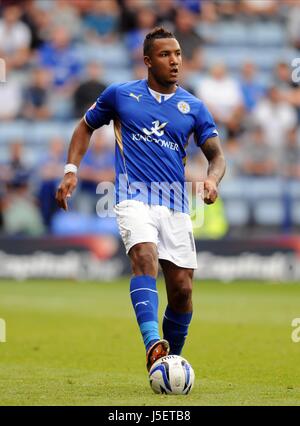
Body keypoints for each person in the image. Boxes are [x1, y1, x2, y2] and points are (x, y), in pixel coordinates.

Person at [56, 27, 226, 372]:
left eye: (177, 54)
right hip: (132, 196)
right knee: (145, 257)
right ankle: (153, 344)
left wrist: (211, 178)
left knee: (182, 290)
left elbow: (217, 156)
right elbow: (85, 126)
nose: (175, 61)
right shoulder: (120, 95)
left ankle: (167, 361)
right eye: (165, 55)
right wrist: (72, 169)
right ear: (148, 61)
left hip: (176, 203)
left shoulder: (193, 107)